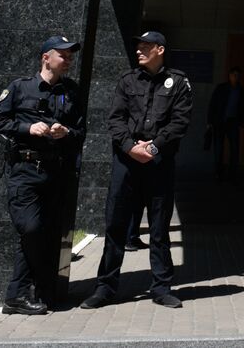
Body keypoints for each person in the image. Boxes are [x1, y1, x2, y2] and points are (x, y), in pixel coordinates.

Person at [81, 31, 193, 310]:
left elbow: (180, 123)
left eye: (145, 47)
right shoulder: (127, 80)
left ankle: (162, 288)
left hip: (159, 164)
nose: (139, 51)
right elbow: (115, 119)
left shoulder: (178, 82)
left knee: (159, 229)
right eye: (138, 46)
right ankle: (105, 288)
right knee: (116, 226)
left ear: (160, 50)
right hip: (126, 162)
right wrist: (132, 148)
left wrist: (153, 148)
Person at [0, 35, 85, 315]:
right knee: (31, 230)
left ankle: (33, 294)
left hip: (56, 173)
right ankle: (19, 294)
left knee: (47, 233)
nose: (68, 61)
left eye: (70, 57)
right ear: (46, 57)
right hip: (26, 171)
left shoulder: (71, 92)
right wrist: (27, 129)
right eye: (63, 56)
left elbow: (81, 132)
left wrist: (66, 132)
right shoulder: (20, 88)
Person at [206, 66, 244, 184]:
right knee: (219, 147)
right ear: (229, 76)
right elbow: (213, 104)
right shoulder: (222, 88)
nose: (236, 77)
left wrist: (243, 121)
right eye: (234, 75)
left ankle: (232, 172)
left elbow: (243, 107)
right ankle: (218, 172)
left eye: (237, 75)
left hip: (233, 121)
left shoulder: (240, 90)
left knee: (234, 147)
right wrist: (209, 122)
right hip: (220, 121)